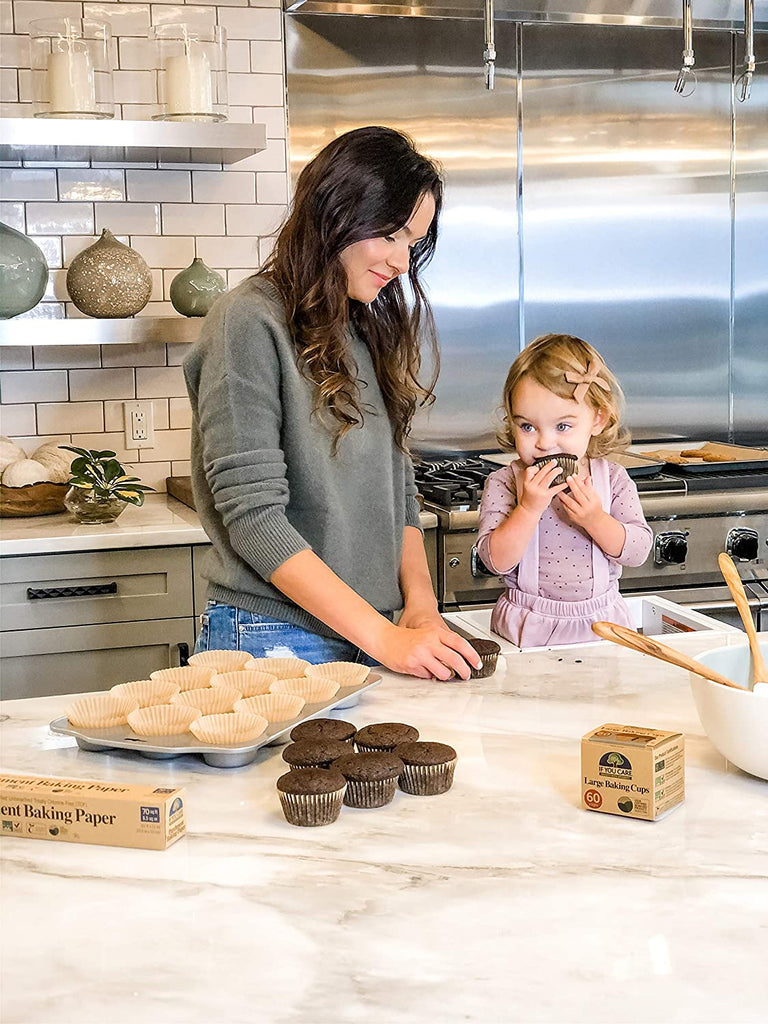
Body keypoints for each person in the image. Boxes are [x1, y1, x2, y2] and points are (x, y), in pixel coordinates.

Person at [184, 125, 482, 680]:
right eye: (391, 235)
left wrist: (419, 608)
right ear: (339, 211)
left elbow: (400, 494)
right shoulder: (247, 321)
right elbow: (254, 519)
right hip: (273, 639)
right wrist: (387, 640)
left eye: (412, 242)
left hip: (375, 631)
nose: (401, 261)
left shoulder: (365, 328)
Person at [476, 334, 653, 648]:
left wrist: (596, 519)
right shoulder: (504, 483)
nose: (544, 443)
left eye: (562, 426)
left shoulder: (613, 479)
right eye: (527, 427)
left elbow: (638, 551)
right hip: (528, 625)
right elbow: (495, 561)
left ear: (597, 418)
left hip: (603, 624)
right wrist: (527, 510)